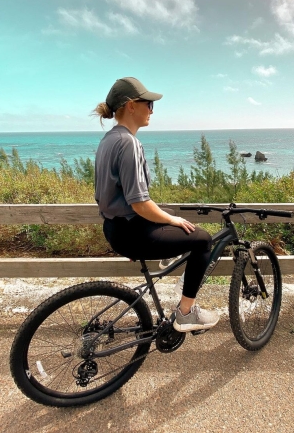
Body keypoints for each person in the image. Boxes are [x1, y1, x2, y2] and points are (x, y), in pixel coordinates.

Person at [93, 77, 219, 332]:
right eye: (148, 103)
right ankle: (186, 313)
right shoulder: (128, 142)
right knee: (203, 240)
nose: (151, 110)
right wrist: (172, 220)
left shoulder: (108, 140)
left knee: (173, 218)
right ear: (131, 105)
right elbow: (139, 203)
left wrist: (167, 217)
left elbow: (105, 195)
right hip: (132, 231)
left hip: (115, 229)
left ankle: (171, 260)